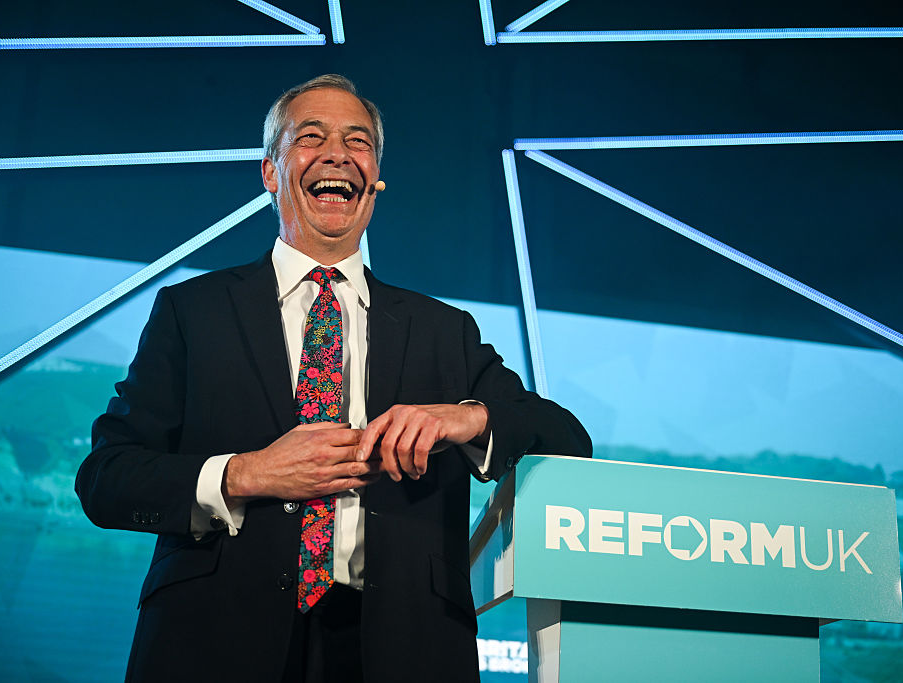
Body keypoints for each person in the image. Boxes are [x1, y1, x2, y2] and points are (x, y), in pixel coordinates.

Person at [75, 74, 591, 683]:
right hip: (213, 640)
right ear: (271, 171)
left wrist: (468, 416)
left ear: (374, 182)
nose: (337, 154)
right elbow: (108, 478)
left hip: (404, 649)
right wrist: (247, 473)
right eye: (310, 137)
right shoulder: (192, 311)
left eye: (358, 141)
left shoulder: (442, 330)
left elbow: (566, 439)